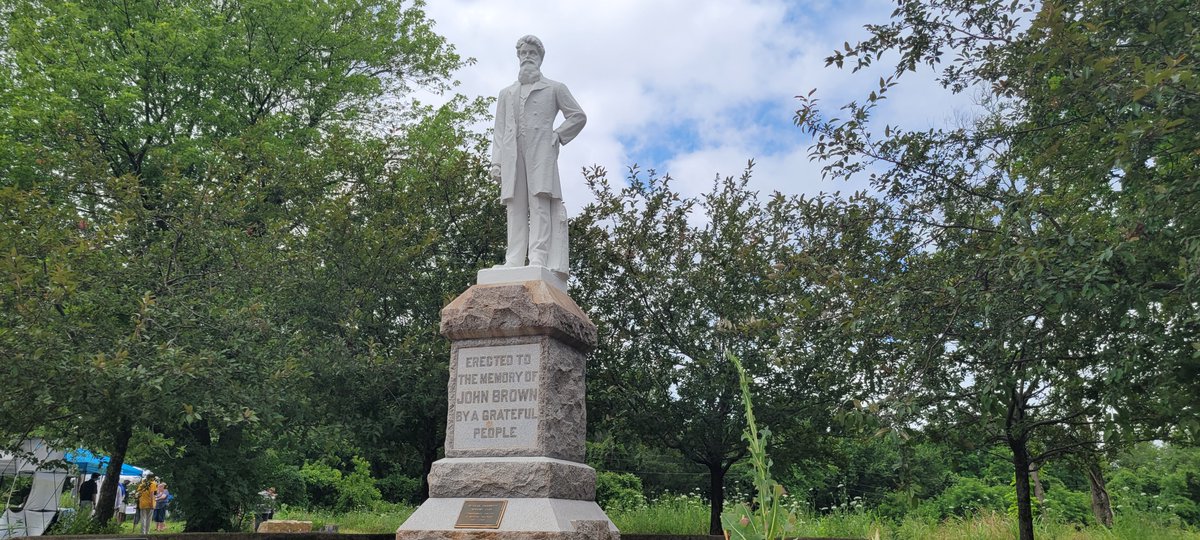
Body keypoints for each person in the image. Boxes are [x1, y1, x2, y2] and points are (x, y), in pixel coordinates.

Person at [490, 34, 586, 278]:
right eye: (523, 53)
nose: (527, 57)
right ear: (518, 57)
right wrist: (496, 162)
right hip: (513, 154)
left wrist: (558, 135)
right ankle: (513, 259)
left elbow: (577, 116)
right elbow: (499, 132)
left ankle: (538, 257)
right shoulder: (506, 93)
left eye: (532, 53)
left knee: (540, 203)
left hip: (541, 152)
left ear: (540, 58)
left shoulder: (554, 87)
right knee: (515, 206)